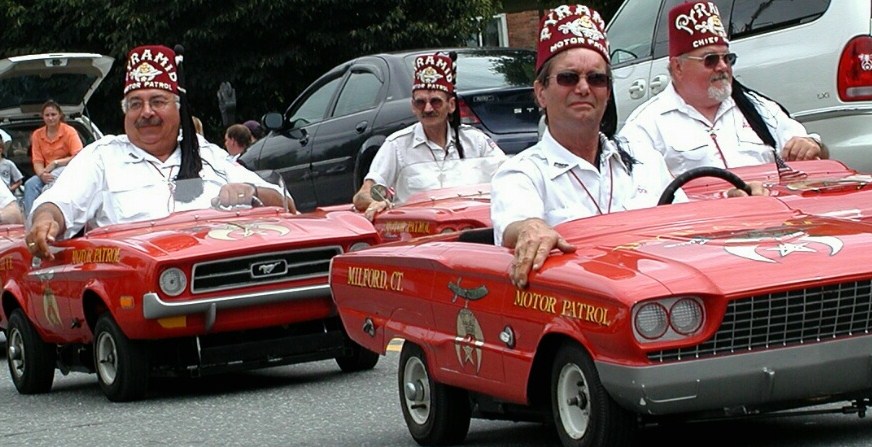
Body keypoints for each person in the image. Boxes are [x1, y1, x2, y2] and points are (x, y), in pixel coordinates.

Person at [490, 4, 767, 289]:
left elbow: (686, 225)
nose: (583, 88)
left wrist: (730, 206)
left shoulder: (645, 160)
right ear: (541, 93)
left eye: (596, 79)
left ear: (608, 93)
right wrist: (531, 228)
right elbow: (515, 225)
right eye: (568, 78)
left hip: (657, 295)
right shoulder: (520, 173)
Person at [26, 44, 295, 260]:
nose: (146, 112)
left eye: (157, 101)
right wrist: (45, 220)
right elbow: (59, 203)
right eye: (135, 104)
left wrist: (253, 192)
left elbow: (287, 207)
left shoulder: (208, 154)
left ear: (179, 109)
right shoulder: (102, 157)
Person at [617, 1, 826, 176]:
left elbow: (817, 154)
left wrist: (810, 145)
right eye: (710, 60)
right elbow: (636, 195)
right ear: (678, 67)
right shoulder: (646, 126)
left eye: (728, 58)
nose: (723, 67)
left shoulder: (759, 110)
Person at [352, 51, 505, 220]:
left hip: (473, 226)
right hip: (417, 231)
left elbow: (510, 178)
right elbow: (362, 195)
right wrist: (376, 202)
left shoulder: (476, 141)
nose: (427, 109)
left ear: (451, 105)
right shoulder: (396, 145)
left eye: (435, 101)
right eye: (420, 102)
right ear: (412, 106)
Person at [23, 100, 84, 215]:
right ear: (43, 117)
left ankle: (50, 215)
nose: (50, 118)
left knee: (52, 182)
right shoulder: (37, 135)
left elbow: (79, 156)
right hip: (47, 172)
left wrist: (56, 163)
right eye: (47, 115)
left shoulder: (69, 131)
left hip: (68, 171)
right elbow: (37, 161)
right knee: (30, 184)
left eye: (53, 114)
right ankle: (30, 219)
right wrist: (42, 175)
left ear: (60, 115)